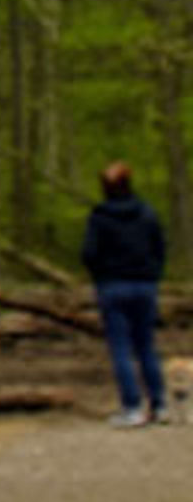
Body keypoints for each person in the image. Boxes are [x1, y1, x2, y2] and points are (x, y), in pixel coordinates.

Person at [84, 161, 168, 426]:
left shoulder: (99, 217)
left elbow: (89, 253)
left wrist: (101, 276)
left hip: (113, 286)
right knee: (146, 346)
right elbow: (160, 247)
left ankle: (132, 407)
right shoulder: (147, 213)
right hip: (144, 286)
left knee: (121, 348)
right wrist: (152, 274)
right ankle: (159, 404)